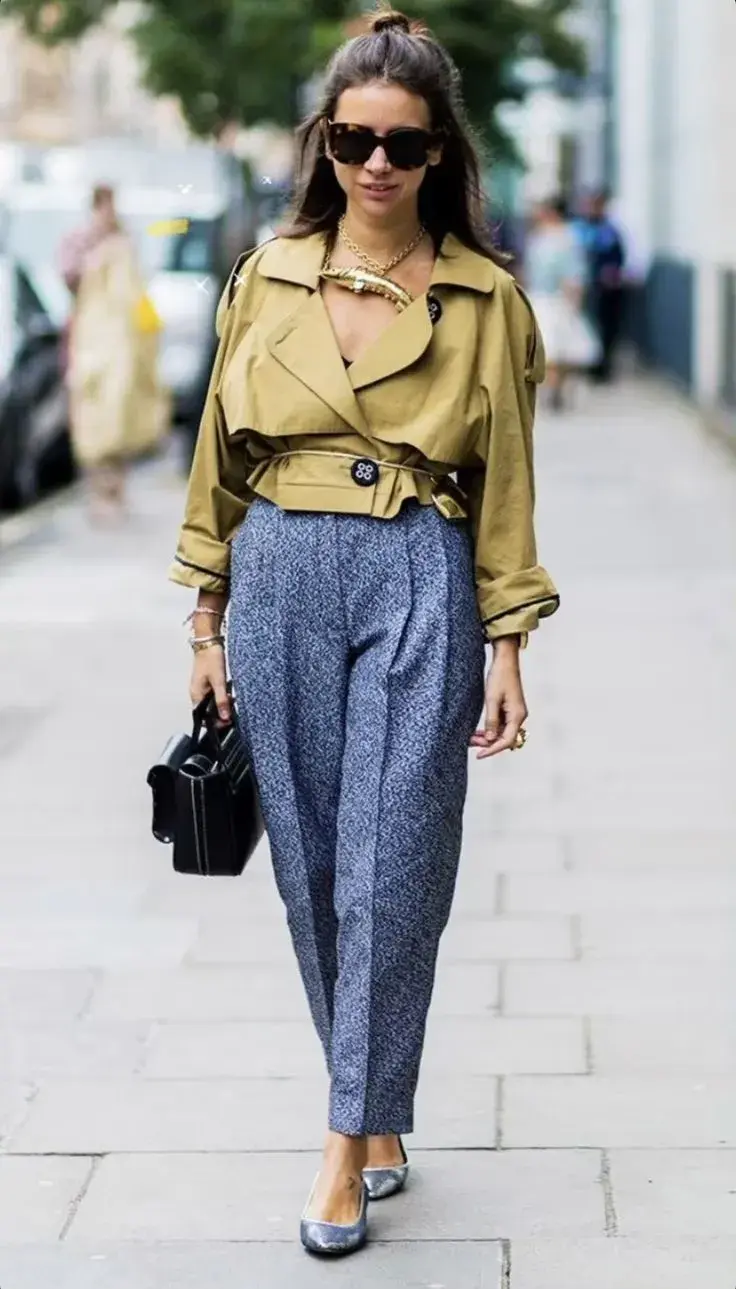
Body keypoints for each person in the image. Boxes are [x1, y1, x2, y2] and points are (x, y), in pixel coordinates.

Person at [170, 6, 559, 1258]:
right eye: (352, 140)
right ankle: (380, 1109)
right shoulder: (263, 275)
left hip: (418, 570)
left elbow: (504, 482)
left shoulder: (483, 298)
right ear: (322, 146)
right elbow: (214, 464)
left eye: (402, 142)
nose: (376, 164)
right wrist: (204, 615)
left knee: (395, 864)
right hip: (278, 567)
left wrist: (507, 638)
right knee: (314, 870)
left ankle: (343, 1139)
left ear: (441, 151)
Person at [64, 185, 168, 522]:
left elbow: (136, 295)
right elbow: (69, 278)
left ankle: (116, 491)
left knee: (121, 413)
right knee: (91, 415)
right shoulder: (82, 243)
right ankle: (98, 492)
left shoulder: (125, 243)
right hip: (91, 343)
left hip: (122, 345)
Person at [524, 195, 600, 411]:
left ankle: (556, 390)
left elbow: (574, 273)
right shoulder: (537, 237)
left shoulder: (567, 239)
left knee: (559, 349)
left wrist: (574, 299)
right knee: (547, 349)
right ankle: (552, 389)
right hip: (539, 297)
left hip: (558, 299)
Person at [575, 189, 626, 382]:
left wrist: (612, 273)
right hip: (586, 287)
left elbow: (618, 258)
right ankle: (589, 364)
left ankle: (603, 367)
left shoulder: (610, 231)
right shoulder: (579, 229)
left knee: (606, 328)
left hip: (606, 290)